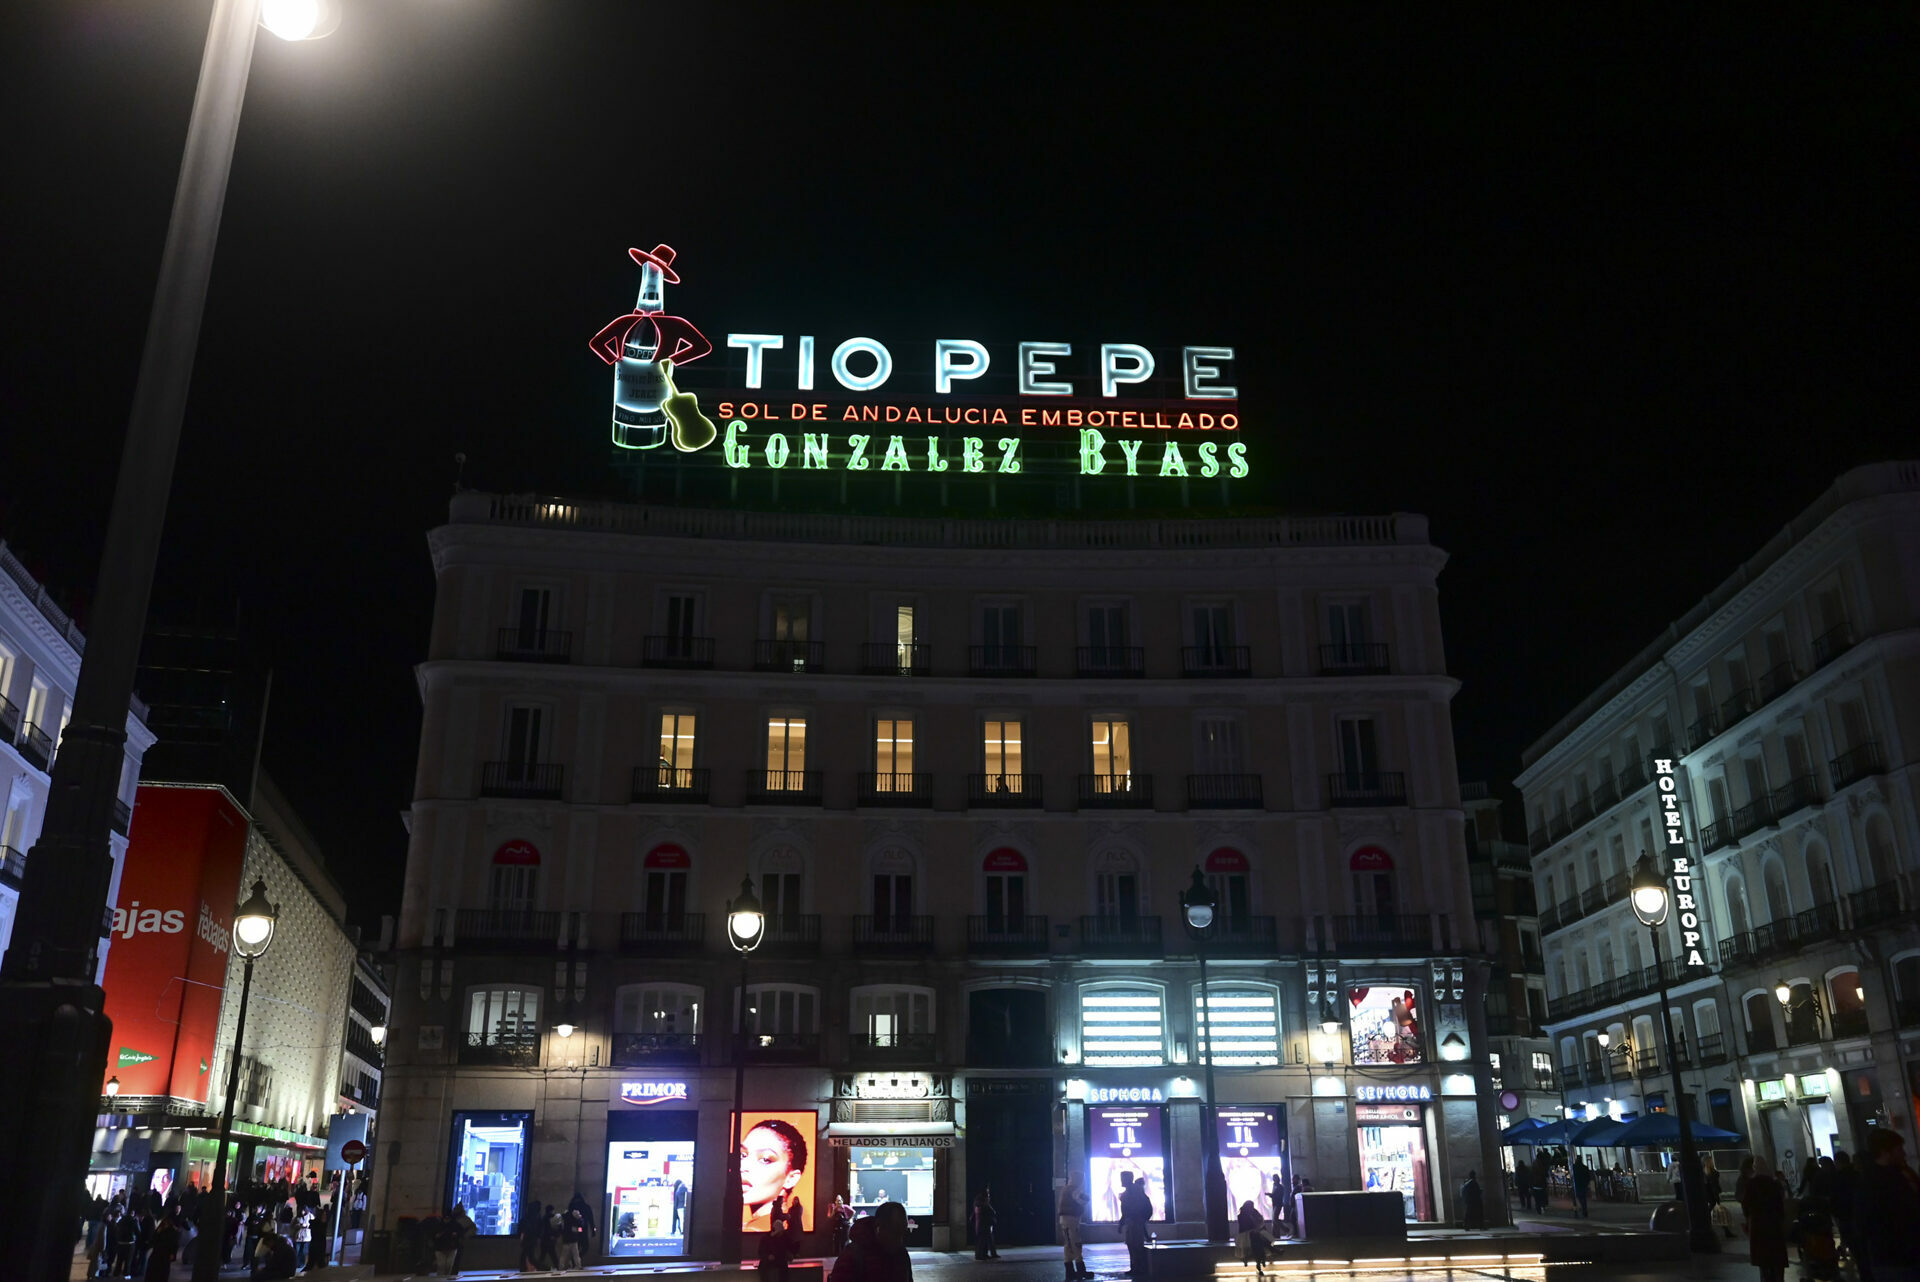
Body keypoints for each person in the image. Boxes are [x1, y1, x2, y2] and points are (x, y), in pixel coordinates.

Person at [1857, 1128, 1920, 1282]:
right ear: (1885, 1152)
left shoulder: (1898, 1174)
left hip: (1901, 1256)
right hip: (1894, 1258)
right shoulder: (1875, 1182)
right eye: (1899, 1149)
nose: (1903, 1153)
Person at [743, 1119, 811, 1232]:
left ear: (791, 1178)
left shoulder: (755, 1229)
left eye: (765, 1159)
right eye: (742, 1155)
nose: (743, 1166)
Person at [832, 1201, 912, 1282]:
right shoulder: (852, 1256)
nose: (900, 1239)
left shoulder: (901, 1253)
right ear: (878, 1227)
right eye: (895, 1232)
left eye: (903, 1231)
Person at [1744, 1156, 1789, 1282]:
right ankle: (1778, 1277)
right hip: (1774, 1222)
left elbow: (1746, 1204)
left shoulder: (1751, 1183)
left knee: (1762, 1253)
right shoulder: (1773, 1183)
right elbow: (1780, 1203)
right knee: (1776, 1252)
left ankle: (1765, 1276)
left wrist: (1748, 1218)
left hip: (1758, 1222)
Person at [1119, 1170, 1153, 1280]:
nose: (1121, 1180)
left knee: (1136, 1245)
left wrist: (1129, 1220)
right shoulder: (1129, 1191)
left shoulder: (1134, 1191)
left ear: (1128, 1179)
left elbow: (1133, 1208)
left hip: (1135, 1221)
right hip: (1132, 1221)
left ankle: (1138, 1268)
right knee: (1131, 1244)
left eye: (1123, 1178)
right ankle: (1134, 1267)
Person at [1059, 1174, 1089, 1279]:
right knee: (1076, 1244)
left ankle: (1070, 1272)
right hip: (1071, 1220)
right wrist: (1087, 1197)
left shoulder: (1065, 1189)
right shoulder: (1074, 1190)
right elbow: (1082, 1200)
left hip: (1065, 1220)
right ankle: (1081, 1271)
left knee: (1069, 1245)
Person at [1236, 1199, 1271, 1276]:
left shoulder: (1254, 1213)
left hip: (1253, 1234)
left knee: (1259, 1242)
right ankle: (1263, 1259)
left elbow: (1260, 1222)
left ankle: (1260, 1261)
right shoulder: (1241, 1216)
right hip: (1246, 1235)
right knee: (1259, 1243)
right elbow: (1244, 1227)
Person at [144, 1212, 181, 1282]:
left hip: (165, 1253)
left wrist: (173, 1253)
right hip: (158, 1252)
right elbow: (154, 1239)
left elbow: (175, 1243)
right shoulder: (160, 1230)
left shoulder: (172, 1231)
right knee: (155, 1268)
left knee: (162, 1270)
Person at [566, 1191, 596, 1262]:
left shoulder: (571, 1207)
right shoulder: (586, 1206)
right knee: (585, 1246)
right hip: (583, 1229)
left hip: (574, 1230)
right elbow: (591, 1219)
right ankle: (577, 1259)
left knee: (576, 1246)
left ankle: (575, 1260)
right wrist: (593, 1230)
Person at [518, 1200, 546, 1272]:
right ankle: (523, 1268)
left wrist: (521, 1238)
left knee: (527, 1256)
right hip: (533, 1239)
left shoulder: (527, 1218)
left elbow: (523, 1229)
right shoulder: (537, 1218)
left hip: (527, 1239)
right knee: (529, 1255)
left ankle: (544, 1268)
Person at [973, 1187, 999, 1260]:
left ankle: (986, 1254)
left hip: (986, 1223)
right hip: (982, 1224)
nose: (988, 1194)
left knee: (988, 1239)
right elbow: (987, 1211)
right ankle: (979, 1255)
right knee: (981, 1240)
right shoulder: (980, 1202)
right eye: (987, 1192)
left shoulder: (983, 1201)